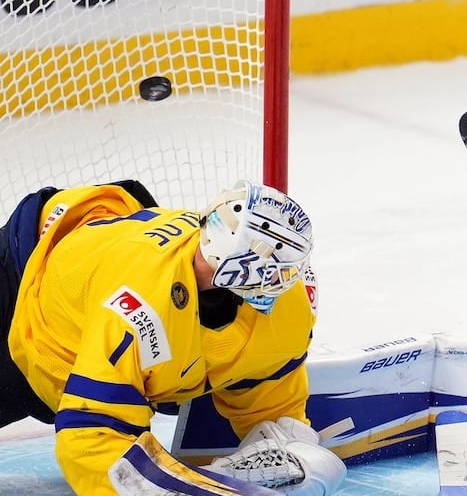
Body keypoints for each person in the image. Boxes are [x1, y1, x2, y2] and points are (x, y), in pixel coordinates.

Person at [0, 178, 347, 495]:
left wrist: (287, 441)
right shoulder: (141, 302)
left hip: (103, 236)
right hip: (27, 290)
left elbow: (268, 400)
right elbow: (91, 437)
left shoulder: (288, 308)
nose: (286, 280)